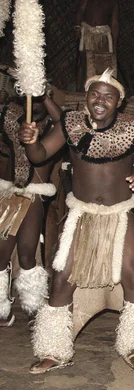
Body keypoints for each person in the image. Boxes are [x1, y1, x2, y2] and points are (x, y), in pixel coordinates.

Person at [19, 68, 134, 374]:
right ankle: (54, 350)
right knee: (62, 277)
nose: (100, 101)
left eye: (108, 97)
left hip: (120, 214)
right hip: (81, 214)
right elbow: (40, 154)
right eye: (95, 94)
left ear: (118, 102)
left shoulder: (132, 126)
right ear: (87, 96)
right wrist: (30, 141)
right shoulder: (70, 124)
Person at [0, 95, 61, 328]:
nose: (33, 103)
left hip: (34, 195)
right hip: (9, 193)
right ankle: (2, 310)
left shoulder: (53, 125)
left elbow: (62, 119)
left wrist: (43, 94)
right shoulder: (12, 116)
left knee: (27, 254)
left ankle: (34, 308)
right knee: (0, 254)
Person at [76, 0, 119, 90]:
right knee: (83, 60)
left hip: (103, 34)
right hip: (87, 30)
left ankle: (98, 88)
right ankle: (79, 89)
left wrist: (114, 42)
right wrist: (78, 27)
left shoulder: (113, 2)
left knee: (102, 62)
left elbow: (115, 23)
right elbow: (80, 10)